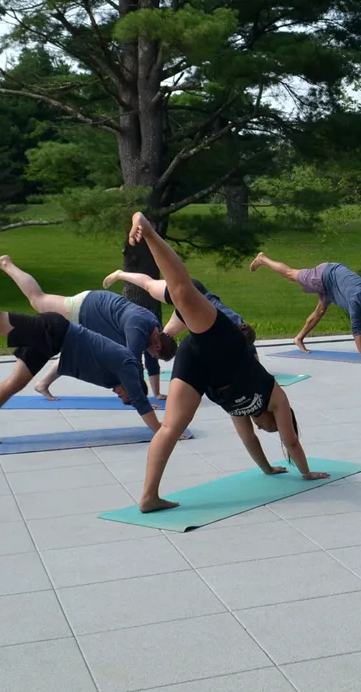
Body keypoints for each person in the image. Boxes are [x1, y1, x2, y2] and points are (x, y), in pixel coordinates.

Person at [128, 214, 325, 513]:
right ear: (277, 420)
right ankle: (148, 231)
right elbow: (292, 442)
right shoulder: (275, 398)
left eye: (266, 431)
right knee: (182, 292)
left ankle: (148, 497)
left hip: (197, 362)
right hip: (223, 342)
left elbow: (249, 443)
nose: (264, 429)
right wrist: (306, 472)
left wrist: (268, 469)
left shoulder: (241, 410)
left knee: (170, 426)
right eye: (270, 429)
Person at [0, 251, 164, 444]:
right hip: (54, 330)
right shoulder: (127, 367)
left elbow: (77, 363)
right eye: (124, 395)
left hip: (54, 342)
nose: (118, 394)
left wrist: (45, 384)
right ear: (132, 386)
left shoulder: (111, 379)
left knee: (15, 383)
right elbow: (140, 401)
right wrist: (164, 431)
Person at [0, 254, 176, 399]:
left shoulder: (155, 329)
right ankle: (7, 264)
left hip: (103, 316)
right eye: (154, 354)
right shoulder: (139, 329)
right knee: (38, 300)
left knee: (72, 347)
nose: (151, 356)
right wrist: (141, 400)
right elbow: (129, 365)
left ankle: (43, 383)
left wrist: (156, 393)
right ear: (157, 346)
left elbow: (149, 363)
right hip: (88, 308)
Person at [249, 253, 361, 363]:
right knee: (291, 274)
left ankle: (298, 338)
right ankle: (263, 259)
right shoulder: (356, 301)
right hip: (324, 275)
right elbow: (356, 331)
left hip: (334, 285)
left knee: (320, 311)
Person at [103, 269, 258, 359]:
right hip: (188, 294)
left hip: (191, 312)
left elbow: (251, 351)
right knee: (148, 285)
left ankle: (149, 349)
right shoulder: (228, 328)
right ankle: (120, 274)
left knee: (166, 336)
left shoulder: (240, 329)